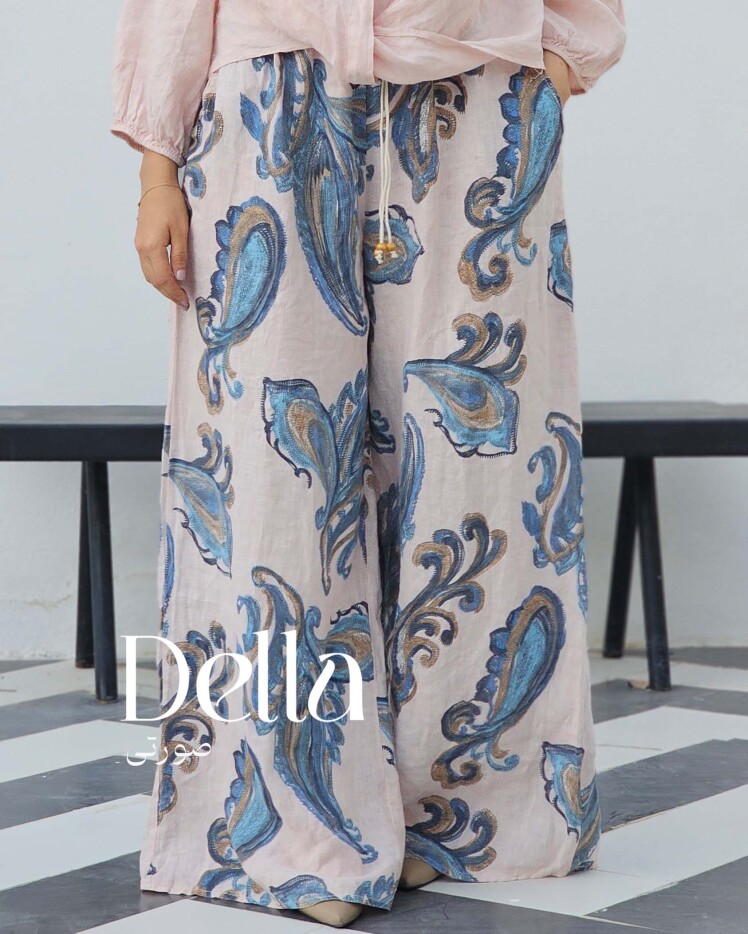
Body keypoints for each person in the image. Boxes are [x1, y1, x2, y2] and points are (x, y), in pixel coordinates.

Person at [110, 1, 626, 928]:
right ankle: (291, 826)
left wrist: (551, 69)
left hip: (477, 97)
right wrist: (158, 168)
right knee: (271, 481)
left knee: (481, 470)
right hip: (270, 101)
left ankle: (467, 814)